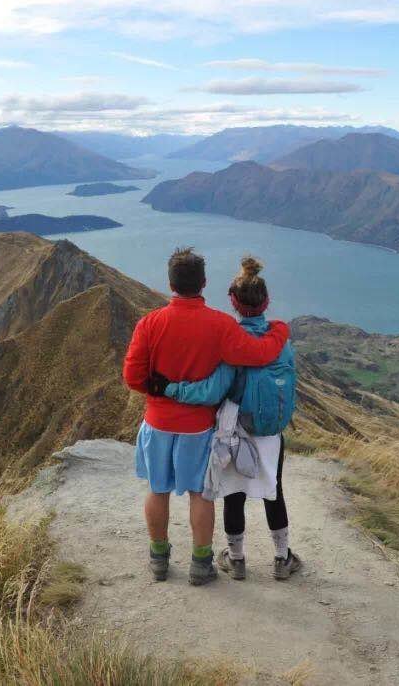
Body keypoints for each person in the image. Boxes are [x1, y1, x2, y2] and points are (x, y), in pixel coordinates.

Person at [122, 247, 290, 586]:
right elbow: (259, 354)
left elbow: (133, 378)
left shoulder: (149, 324)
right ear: (203, 283)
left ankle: (158, 560)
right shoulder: (220, 325)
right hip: (198, 428)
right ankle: (201, 565)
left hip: (157, 423)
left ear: (171, 283)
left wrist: (162, 388)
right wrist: (280, 331)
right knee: (202, 495)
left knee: (158, 490)